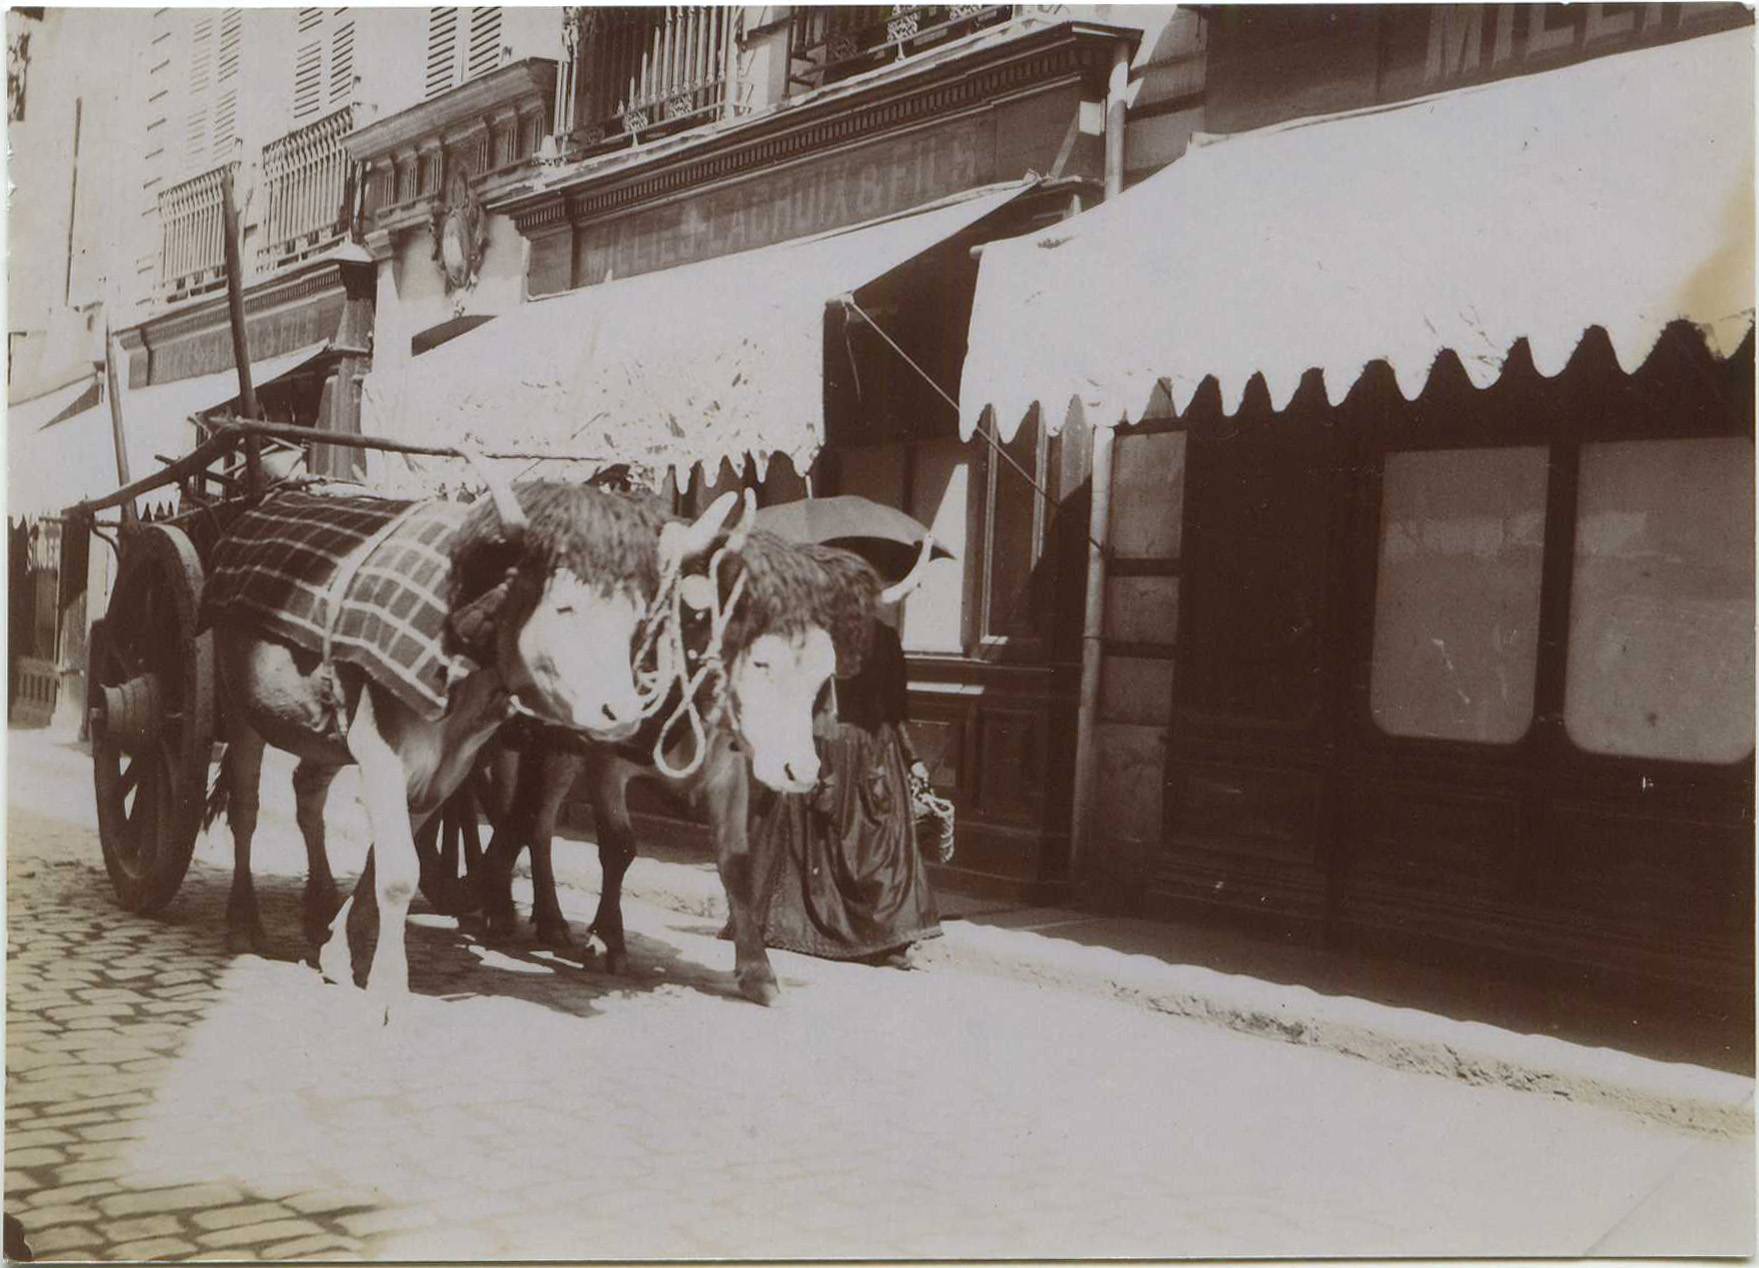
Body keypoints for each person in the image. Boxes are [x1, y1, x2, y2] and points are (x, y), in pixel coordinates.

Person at [751, 601, 942, 966]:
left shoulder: (810, 635)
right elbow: (896, 707)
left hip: (828, 744)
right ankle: (891, 942)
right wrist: (912, 758)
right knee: (878, 847)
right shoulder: (882, 637)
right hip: (869, 751)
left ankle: (805, 928)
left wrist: (912, 758)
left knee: (828, 841)